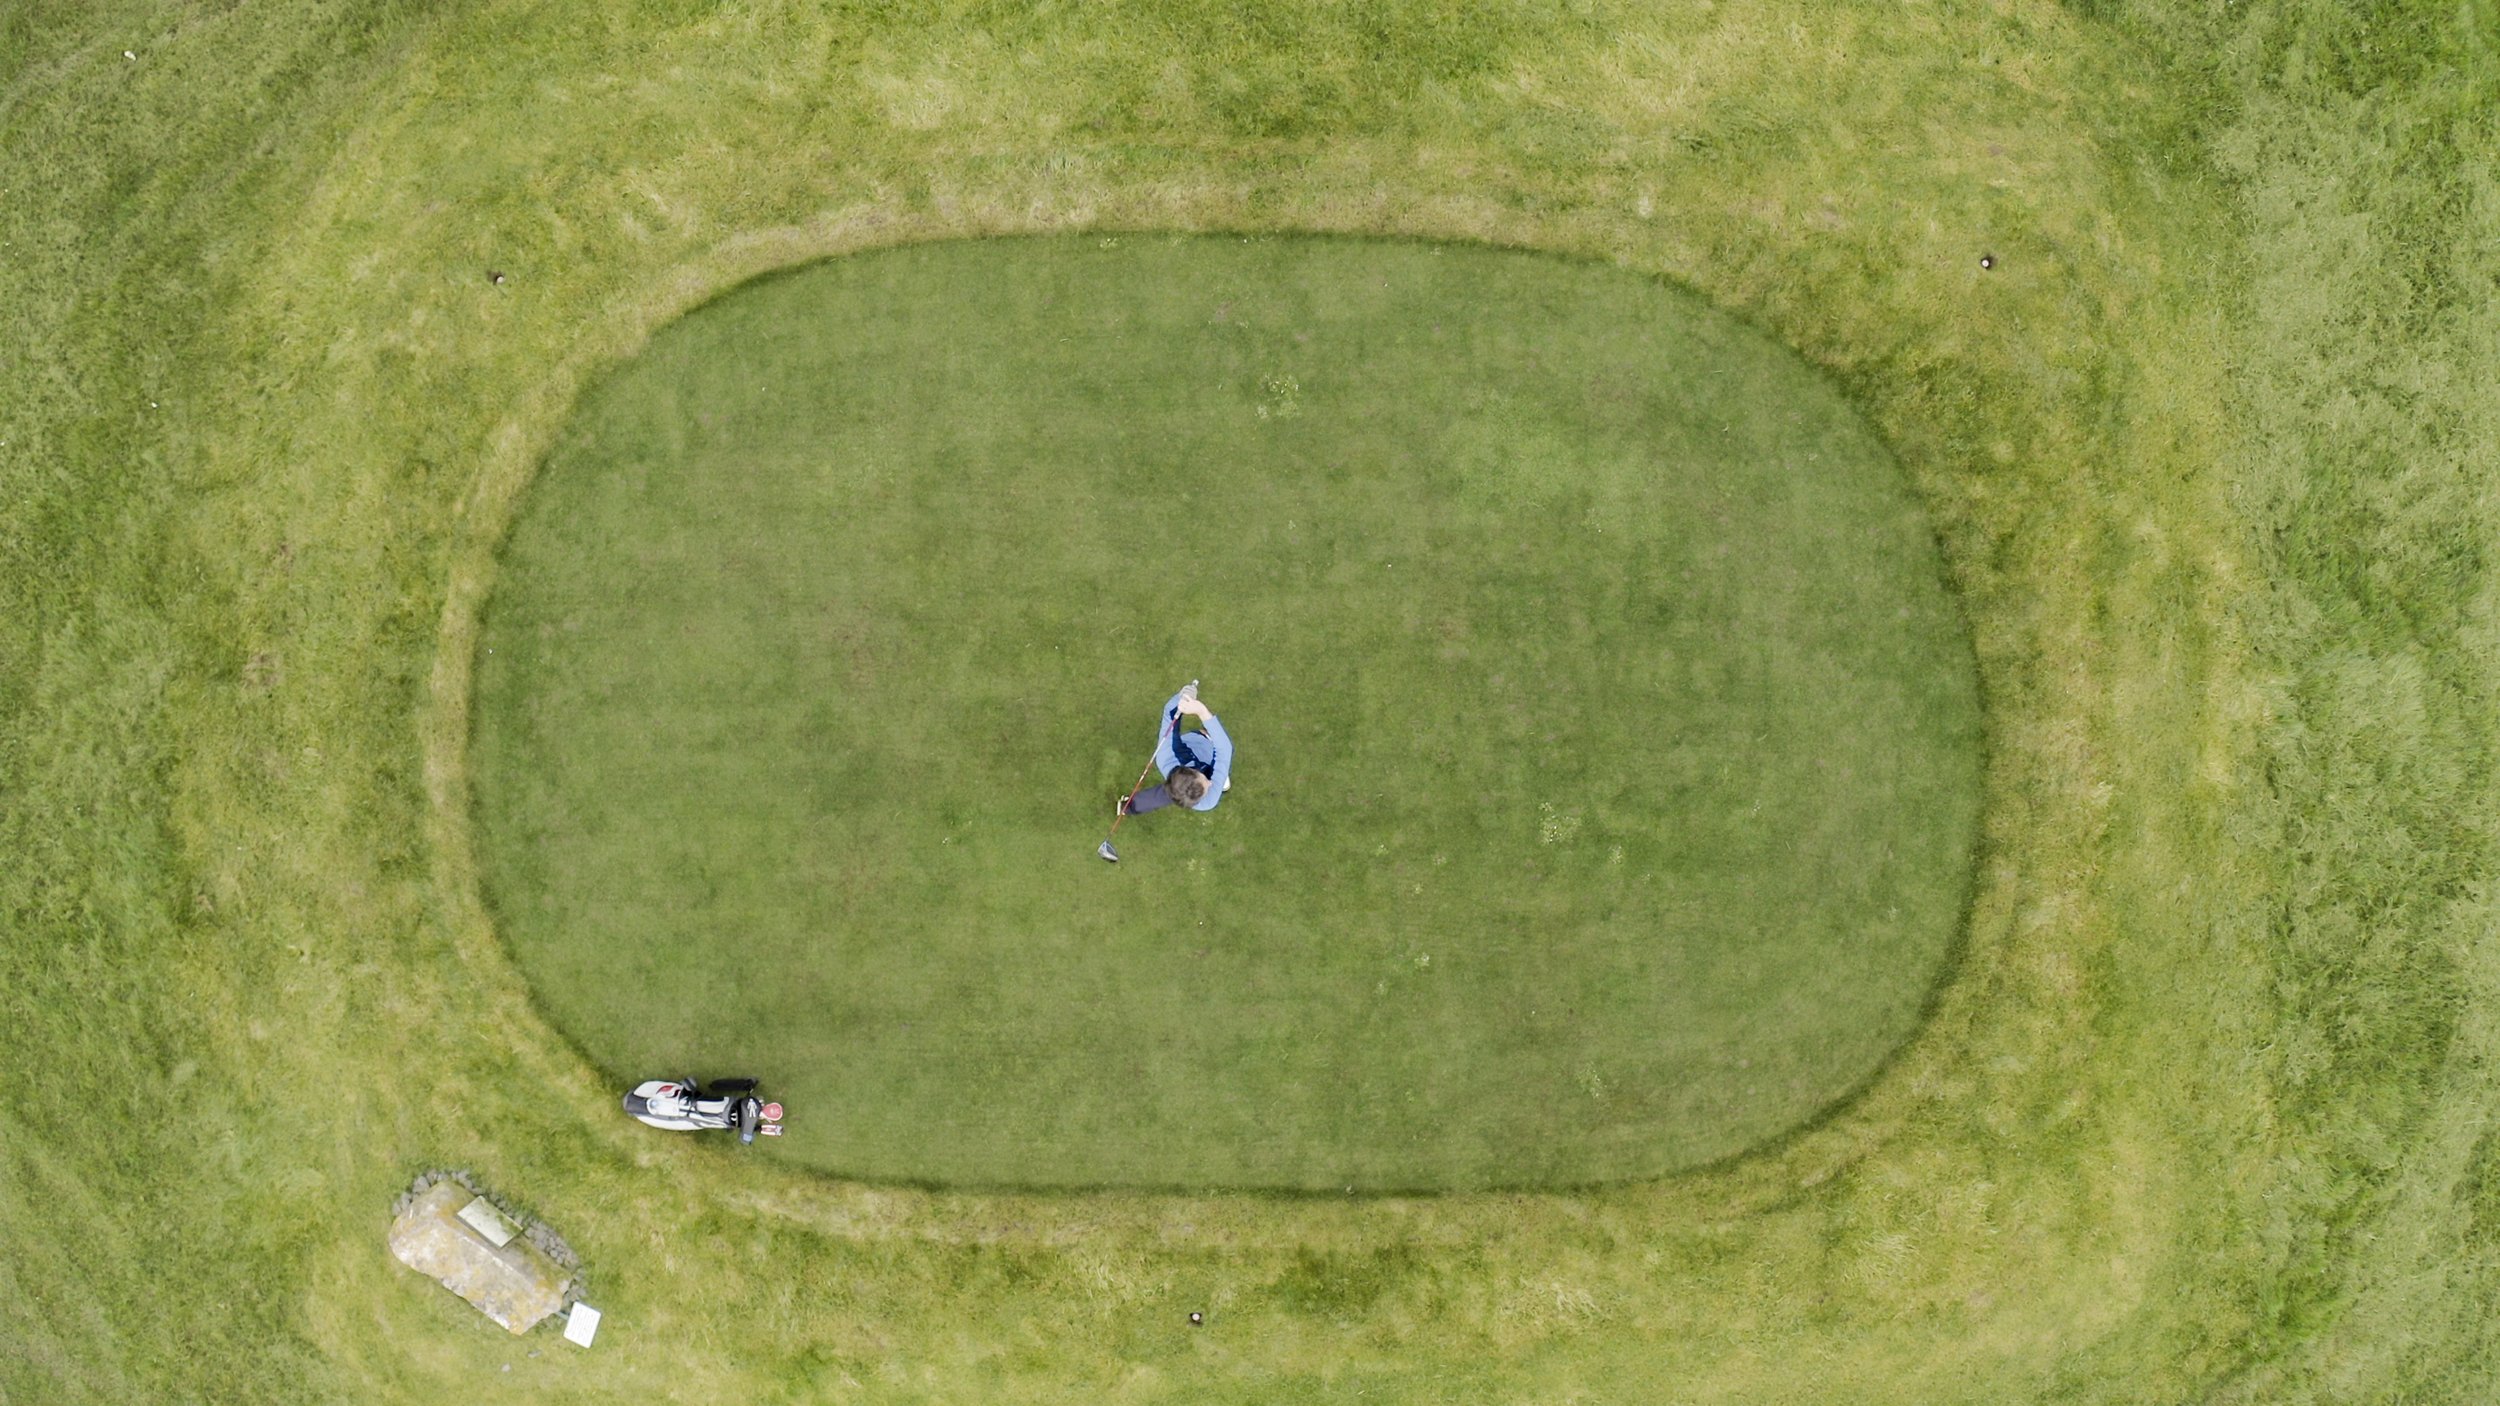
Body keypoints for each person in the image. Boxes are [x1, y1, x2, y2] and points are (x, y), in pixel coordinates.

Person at [1119, 685, 1232, 816]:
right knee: (1220, 770)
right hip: (1209, 752)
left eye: (1205, 781)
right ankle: (1222, 776)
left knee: (1165, 794)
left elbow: (1171, 713)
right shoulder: (1208, 800)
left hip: (1198, 744)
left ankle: (1129, 806)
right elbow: (1224, 749)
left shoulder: (1167, 755)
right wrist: (1202, 712)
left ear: (1189, 769)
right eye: (1207, 784)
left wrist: (1182, 697)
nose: (1211, 783)